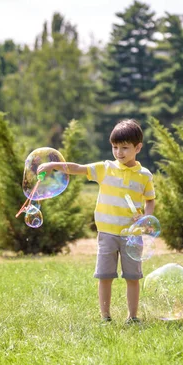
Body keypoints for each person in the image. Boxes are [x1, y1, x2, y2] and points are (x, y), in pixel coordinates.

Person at [37, 119, 156, 324]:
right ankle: (105, 317)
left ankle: (133, 317)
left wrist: (146, 217)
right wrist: (54, 165)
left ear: (138, 147)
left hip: (132, 235)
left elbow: (150, 200)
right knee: (105, 276)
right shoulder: (105, 168)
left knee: (132, 277)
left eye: (125, 148)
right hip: (107, 233)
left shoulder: (144, 175)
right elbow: (78, 168)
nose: (119, 152)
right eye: (115, 147)